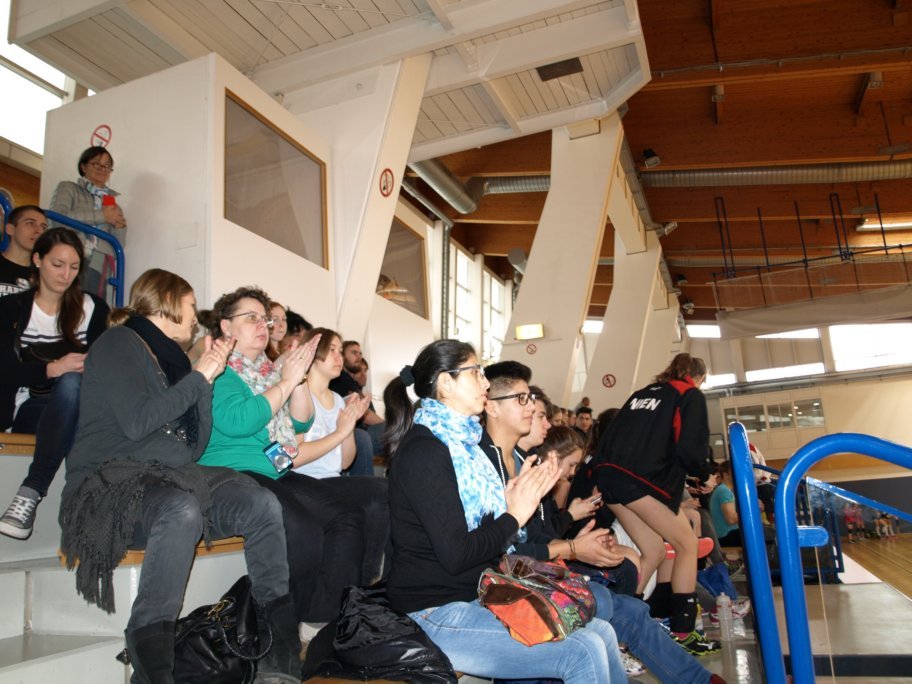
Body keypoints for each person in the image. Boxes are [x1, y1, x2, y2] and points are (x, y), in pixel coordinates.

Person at [58, 268, 301, 684]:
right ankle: (151, 670)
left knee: (259, 502)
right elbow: (138, 423)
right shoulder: (118, 344)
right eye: (190, 306)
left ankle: (279, 652)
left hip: (168, 475)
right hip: (109, 484)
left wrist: (205, 381)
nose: (195, 317)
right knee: (180, 509)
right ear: (167, 304)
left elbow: (192, 447)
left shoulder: (173, 361)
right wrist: (200, 377)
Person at [384, 340, 627, 683]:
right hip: (433, 609)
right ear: (446, 383)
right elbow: (457, 555)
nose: (485, 383)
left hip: (475, 592)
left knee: (601, 631)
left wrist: (512, 504)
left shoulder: (465, 447)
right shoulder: (426, 451)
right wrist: (514, 515)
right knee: (582, 650)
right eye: (475, 373)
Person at [197, 289, 382, 640]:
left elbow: (298, 422)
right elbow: (238, 421)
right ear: (226, 326)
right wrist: (286, 381)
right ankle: (283, 627)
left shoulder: (265, 372)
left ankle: (322, 620)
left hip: (274, 468)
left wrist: (296, 379)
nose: (262, 325)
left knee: (347, 516)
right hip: (233, 474)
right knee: (304, 527)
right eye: (251, 317)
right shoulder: (219, 371)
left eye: (264, 319)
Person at [590, 353, 719, 655]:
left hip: (609, 475)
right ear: (700, 378)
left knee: (655, 550)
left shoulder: (642, 394)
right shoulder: (688, 394)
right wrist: (704, 474)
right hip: (640, 480)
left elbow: (610, 436)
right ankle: (683, 631)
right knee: (687, 544)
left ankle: (624, 628)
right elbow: (690, 448)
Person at [0, 227, 109, 540]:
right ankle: (85, 506)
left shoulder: (92, 308)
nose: (66, 275)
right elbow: (4, 370)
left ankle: (32, 493)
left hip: (80, 407)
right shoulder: (10, 308)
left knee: (76, 388)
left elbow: (104, 367)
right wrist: (52, 369)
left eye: (74, 267)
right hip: (27, 407)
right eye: (57, 265)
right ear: (37, 260)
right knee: (71, 384)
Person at [49, 146, 127, 297]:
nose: (102, 169)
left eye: (107, 165)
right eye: (96, 163)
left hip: (99, 261)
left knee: (93, 305)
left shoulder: (113, 204)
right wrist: (101, 216)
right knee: (65, 300)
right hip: (70, 252)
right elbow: (57, 218)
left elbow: (118, 245)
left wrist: (120, 228)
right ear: (83, 167)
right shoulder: (68, 188)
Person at [328, 339, 384, 475]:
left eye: (360, 353)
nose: (359, 357)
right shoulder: (340, 379)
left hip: (355, 432)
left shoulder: (347, 380)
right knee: (395, 429)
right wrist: (385, 424)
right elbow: (364, 414)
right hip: (355, 432)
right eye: (354, 353)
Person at [1, 205, 47, 296]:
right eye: (31, 223)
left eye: (43, 227)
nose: (39, 231)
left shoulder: (44, 275)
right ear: (10, 229)